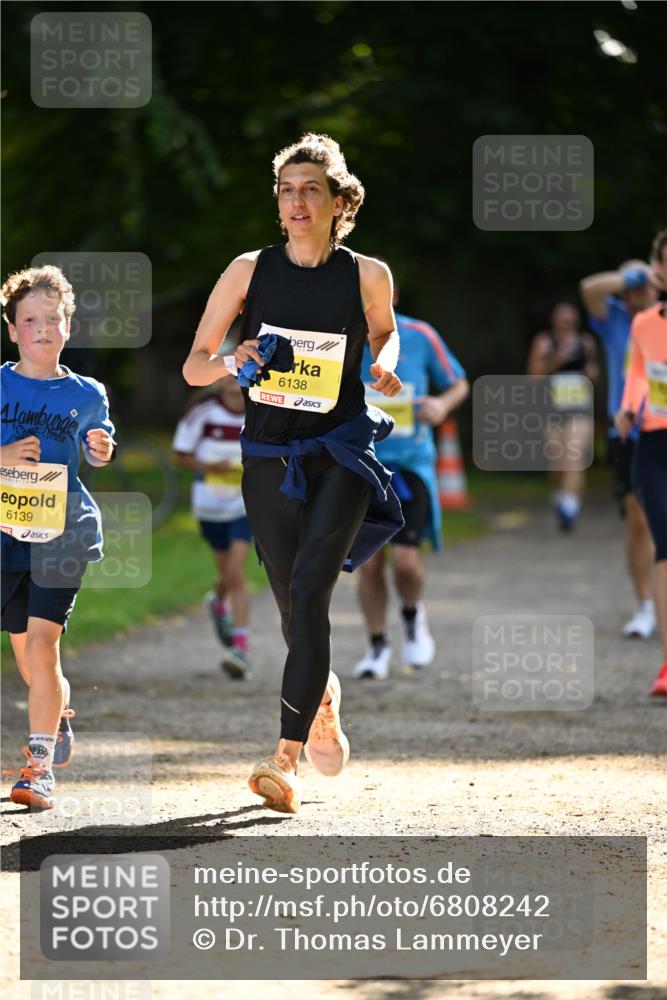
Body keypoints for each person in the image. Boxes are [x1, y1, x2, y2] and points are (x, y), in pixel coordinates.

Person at [183, 133, 403, 815]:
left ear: (340, 202)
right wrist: (230, 358)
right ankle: (322, 699)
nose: (298, 200)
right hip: (267, 459)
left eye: (312, 189)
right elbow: (194, 364)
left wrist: (382, 360)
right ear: (277, 206)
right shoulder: (249, 270)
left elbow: (383, 329)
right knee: (291, 611)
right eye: (287, 190)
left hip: (338, 450)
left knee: (309, 592)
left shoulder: (367, 272)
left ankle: (281, 762)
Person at [1, 265, 116, 810]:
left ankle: (39, 767)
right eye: (30, 320)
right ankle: (59, 711)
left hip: (63, 532)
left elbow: (99, 448)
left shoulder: (87, 393)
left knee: (43, 650)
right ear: (12, 328)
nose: (42, 329)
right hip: (5, 535)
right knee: (28, 659)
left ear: (68, 326)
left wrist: (100, 451)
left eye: (53, 318)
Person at [354, 278, 469, 679]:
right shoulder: (340, 340)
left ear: (393, 297)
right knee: (368, 565)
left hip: (410, 465)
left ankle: (411, 614)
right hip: (358, 465)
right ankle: (376, 646)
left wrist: (440, 403)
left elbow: (458, 382)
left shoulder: (420, 335)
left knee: (405, 562)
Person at [580, 259, 658, 637]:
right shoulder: (614, 320)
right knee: (639, 521)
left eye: (643, 287)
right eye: (628, 289)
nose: (634, 295)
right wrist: (634, 276)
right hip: (627, 433)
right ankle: (646, 605)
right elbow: (590, 288)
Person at [173, 375, 253, 678]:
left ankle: (241, 649)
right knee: (227, 575)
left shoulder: (259, 411)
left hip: (244, 505)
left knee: (237, 573)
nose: (234, 382)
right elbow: (180, 454)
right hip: (210, 505)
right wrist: (209, 467)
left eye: (240, 376)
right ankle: (219, 602)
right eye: (228, 376)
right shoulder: (203, 412)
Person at [615, 229, 667, 697]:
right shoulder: (645, 323)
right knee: (663, 545)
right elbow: (638, 372)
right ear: (659, 270)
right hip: (654, 443)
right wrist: (628, 407)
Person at [526, 302, 598, 531]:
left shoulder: (586, 342)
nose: (567, 322)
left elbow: (594, 373)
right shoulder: (544, 342)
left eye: (570, 318)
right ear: (554, 320)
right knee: (558, 461)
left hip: (579, 407)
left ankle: (569, 507)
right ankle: (560, 493)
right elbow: (533, 377)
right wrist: (556, 359)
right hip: (553, 408)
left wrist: (591, 374)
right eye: (562, 318)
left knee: (575, 456)